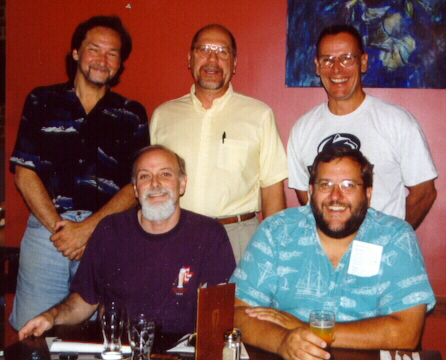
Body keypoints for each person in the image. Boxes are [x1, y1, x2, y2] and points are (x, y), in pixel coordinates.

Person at [9, 15, 150, 330]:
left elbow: (135, 186)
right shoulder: (41, 100)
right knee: (34, 332)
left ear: (120, 63)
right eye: (94, 49)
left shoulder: (132, 113)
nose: (102, 59)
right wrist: (63, 232)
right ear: (75, 53)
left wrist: (87, 230)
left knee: (106, 334)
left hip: (108, 237)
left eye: (112, 53)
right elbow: (25, 173)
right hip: (48, 235)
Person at [231, 147, 435, 360]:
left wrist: (308, 328)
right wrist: (282, 341)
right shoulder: (277, 231)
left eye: (348, 185)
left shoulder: (395, 237)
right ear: (311, 191)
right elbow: (237, 313)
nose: (335, 196)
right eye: (325, 184)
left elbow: (406, 332)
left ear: (368, 193)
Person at [18, 145, 235, 338]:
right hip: (121, 350)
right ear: (135, 189)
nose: (155, 183)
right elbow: (84, 302)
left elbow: (219, 314)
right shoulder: (109, 230)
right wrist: (51, 316)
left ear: (182, 184)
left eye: (165, 174)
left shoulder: (209, 234)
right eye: (144, 176)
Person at [150, 24, 288, 263]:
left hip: (238, 240)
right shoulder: (163, 115)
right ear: (190, 59)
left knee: (237, 303)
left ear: (234, 64)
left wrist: (276, 251)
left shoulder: (259, 115)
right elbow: (148, 185)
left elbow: (272, 190)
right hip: (174, 235)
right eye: (204, 50)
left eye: (222, 52)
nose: (212, 59)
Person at [287, 24, 437, 230]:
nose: (337, 68)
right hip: (324, 252)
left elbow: (425, 193)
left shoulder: (398, 122)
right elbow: (308, 196)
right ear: (317, 65)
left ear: (363, 62)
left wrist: (391, 237)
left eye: (347, 58)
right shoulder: (303, 128)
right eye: (327, 60)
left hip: (379, 254)